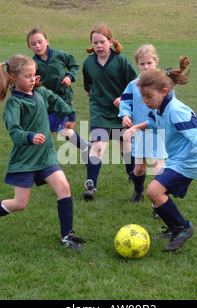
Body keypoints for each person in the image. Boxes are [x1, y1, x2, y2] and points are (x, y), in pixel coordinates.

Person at [0, 54, 86, 251]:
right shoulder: (14, 103)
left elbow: (55, 99)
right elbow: (14, 131)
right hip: (25, 159)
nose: (33, 79)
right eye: (28, 76)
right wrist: (30, 137)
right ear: (14, 77)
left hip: (46, 155)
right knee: (19, 203)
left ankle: (67, 236)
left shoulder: (40, 92)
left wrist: (69, 112)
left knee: (64, 187)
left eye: (34, 75)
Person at [123, 60, 197, 252]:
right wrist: (135, 128)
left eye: (148, 96)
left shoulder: (177, 111)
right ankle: (174, 228)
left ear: (164, 92)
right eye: (142, 97)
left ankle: (183, 228)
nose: (145, 101)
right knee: (155, 195)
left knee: (154, 192)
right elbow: (152, 123)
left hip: (189, 161)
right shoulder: (159, 108)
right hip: (176, 159)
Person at [82, 24, 138, 200]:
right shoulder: (88, 63)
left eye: (102, 42)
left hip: (122, 111)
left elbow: (136, 84)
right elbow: (88, 87)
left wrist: (123, 99)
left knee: (126, 146)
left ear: (111, 41)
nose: (99, 46)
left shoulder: (121, 61)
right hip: (99, 110)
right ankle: (91, 185)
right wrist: (98, 98)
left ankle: (132, 174)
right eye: (95, 42)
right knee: (97, 147)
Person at [27, 27, 91, 163]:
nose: (38, 46)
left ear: (47, 41)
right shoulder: (32, 64)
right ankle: (85, 147)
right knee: (63, 131)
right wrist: (35, 82)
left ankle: (43, 161)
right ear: (29, 47)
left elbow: (74, 65)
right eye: (33, 44)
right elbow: (30, 81)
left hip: (62, 100)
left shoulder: (60, 55)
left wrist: (69, 76)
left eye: (40, 42)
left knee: (47, 130)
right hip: (45, 102)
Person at [119, 44, 168, 203]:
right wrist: (125, 115)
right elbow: (125, 102)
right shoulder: (133, 85)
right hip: (139, 132)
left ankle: (159, 201)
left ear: (156, 62)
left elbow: (170, 106)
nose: (146, 67)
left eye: (149, 63)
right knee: (139, 167)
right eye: (142, 64)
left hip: (158, 132)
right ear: (137, 64)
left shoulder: (164, 84)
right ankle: (138, 191)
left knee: (158, 167)